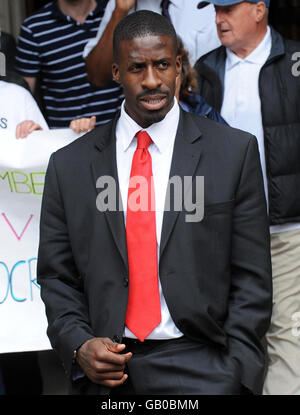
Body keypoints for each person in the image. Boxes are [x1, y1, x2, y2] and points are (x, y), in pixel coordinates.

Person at [37, 10, 272, 395]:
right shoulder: (69, 167)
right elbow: (56, 277)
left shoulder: (233, 153)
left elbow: (252, 278)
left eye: (162, 64)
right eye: (136, 68)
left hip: (207, 367)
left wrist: (239, 374)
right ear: (116, 72)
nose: (151, 81)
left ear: (178, 66)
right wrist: (80, 346)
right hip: (109, 371)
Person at [194, 0, 300, 395]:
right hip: (222, 233)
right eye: (216, 10)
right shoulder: (203, 70)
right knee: (229, 330)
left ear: (259, 10)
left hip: (286, 227)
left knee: (286, 328)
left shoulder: (294, 63)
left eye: (229, 9)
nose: (219, 19)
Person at [15, 0, 124, 128]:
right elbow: (21, 99)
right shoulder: (33, 28)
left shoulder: (115, 12)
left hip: (119, 136)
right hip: (67, 139)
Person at [84, 0, 221, 87]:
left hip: (205, 113)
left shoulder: (210, 4)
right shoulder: (120, 5)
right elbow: (97, 76)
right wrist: (120, 12)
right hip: (149, 116)